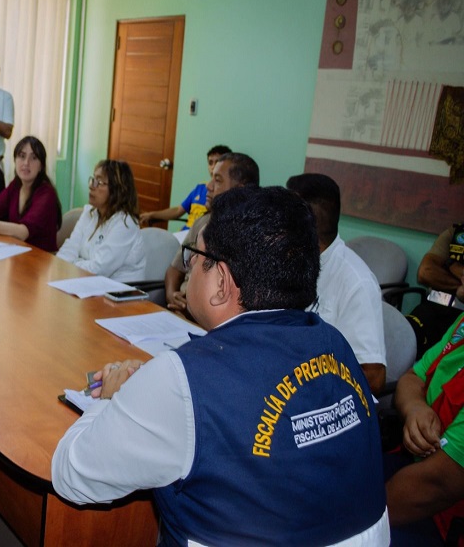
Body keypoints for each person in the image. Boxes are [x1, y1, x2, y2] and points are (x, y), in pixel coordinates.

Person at [52, 186, 388, 545]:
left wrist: (112, 399)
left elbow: (71, 474)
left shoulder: (184, 381)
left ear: (221, 284)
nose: (188, 266)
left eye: (194, 255)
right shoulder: (336, 345)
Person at [287, 173, 387, 395]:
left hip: (320, 398)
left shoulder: (356, 282)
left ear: (305, 222)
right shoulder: (294, 261)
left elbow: (374, 377)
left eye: (286, 214)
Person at [386, 284, 464, 546]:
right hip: (412, 465)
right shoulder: (462, 323)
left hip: (444, 519)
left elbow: (437, 484)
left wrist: (352, 520)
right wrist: (415, 407)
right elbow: (413, 377)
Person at [164, 152, 259, 315]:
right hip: (180, 310)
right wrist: (171, 294)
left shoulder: (251, 234)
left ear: (239, 189)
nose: (208, 186)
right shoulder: (203, 221)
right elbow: (175, 268)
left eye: (217, 180)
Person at [57, 160, 146, 282]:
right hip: (85, 282)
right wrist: (62, 266)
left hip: (116, 293)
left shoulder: (126, 223)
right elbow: (69, 248)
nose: (91, 186)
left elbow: (98, 269)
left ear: (117, 190)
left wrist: (72, 264)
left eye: (99, 182)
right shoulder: (89, 212)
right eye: (93, 179)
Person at [406, 224, 464, 358]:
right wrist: (459, 287)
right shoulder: (455, 233)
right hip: (433, 306)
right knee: (402, 335)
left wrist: (451, 267)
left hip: (460, 318)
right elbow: (425, 273)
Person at [139, 144, 231, 229]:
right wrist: (152, 214)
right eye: (210, 162)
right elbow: (177, 211)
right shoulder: (200, 188)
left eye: (217, 162)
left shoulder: (227, 193)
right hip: (184, 235)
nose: (213, 166)